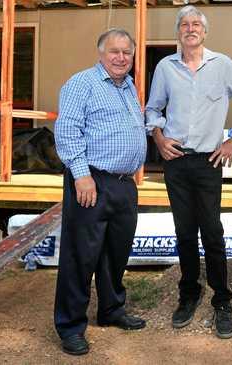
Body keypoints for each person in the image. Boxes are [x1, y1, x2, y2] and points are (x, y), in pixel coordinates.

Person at [145, 5, 232, 339]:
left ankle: (222, 300)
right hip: (176, 160)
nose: (190, 29)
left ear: (205, 32)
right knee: (183, 230)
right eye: (184, 24)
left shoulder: (221, 65)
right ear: (178, 32)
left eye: (196, 24)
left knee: (211, 230)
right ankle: (189, 293)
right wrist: (159, 137)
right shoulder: (166, 67)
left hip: (209, 160)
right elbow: (153, 108)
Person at [53, 28, 147, 356]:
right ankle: (70, 326)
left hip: (123, 184)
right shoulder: (82, 83)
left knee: (114, 252)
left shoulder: (129, 86)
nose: (121, 57)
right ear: (101, 53)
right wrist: (81, 175)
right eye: (115, 51)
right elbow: (67, 131)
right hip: (92, 180)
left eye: (127, 52)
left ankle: (111, 310)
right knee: (81, 255)